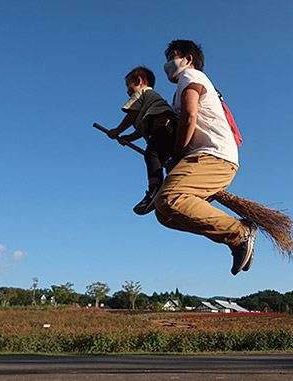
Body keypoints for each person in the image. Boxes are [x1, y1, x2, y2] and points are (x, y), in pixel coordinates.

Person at [153, 40, 257, 275]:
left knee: (169, 199)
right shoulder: (181, 89)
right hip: (202, 160)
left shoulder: (191, 77)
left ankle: (239, 233)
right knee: (165, 215)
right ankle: (235, 236)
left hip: (214, 157)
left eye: (173, 56)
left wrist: (178, 154)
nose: (168, 63)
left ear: (188, 59)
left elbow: (190, 116)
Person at [107, 67, 177, 215]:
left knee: (151, 154)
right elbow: (141, 129)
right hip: (169, 131)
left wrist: (117, 131)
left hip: (164, 128)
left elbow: (132, 114)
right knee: (162, 160)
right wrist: (129, 138)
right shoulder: (150, 102)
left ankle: (154, 189)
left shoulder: (141, 93)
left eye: (128, 86)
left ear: (139, 81)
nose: (127, 92)